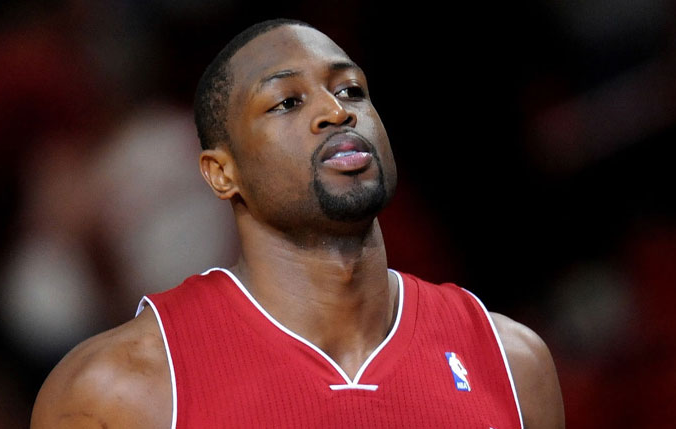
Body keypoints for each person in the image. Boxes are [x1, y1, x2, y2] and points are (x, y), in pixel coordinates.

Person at [30, 18, 564, 428]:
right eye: (287, 101)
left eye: (351, 90)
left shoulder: (512, 362)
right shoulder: (116, 390)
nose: (337, 111)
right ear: (222, 173)